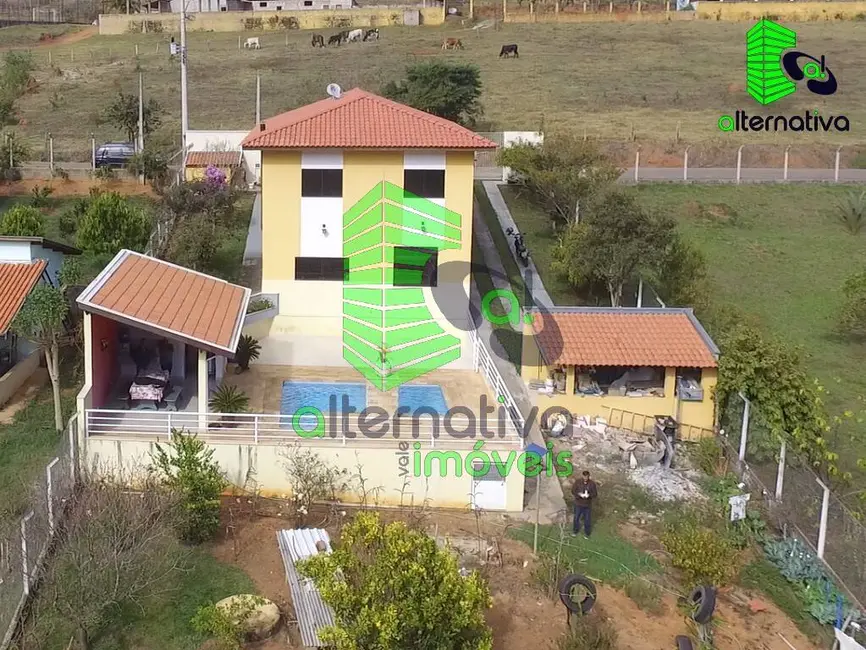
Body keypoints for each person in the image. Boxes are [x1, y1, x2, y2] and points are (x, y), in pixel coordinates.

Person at [571, 470, 598, 538]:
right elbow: (573, 491)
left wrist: (589, 495)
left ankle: (587, 533)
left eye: (587, 477)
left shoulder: (592, 484)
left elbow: (595, 494)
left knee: (587, 520)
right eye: (584, 476)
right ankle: (575, 531)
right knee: (576, 518)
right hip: (578, 503)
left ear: (589, 476)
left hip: (587, 505)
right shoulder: (578, 482)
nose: (586, 478)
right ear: (582, 476)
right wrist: (579, 494)